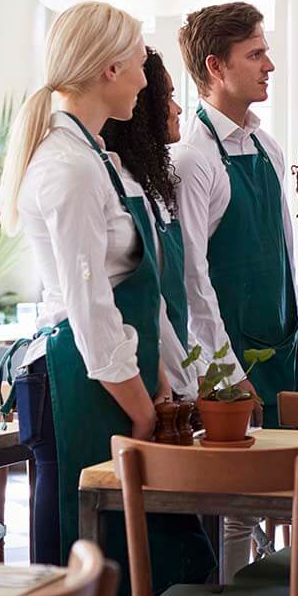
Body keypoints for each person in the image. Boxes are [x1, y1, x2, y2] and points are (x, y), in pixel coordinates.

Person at [0, 2, 214, 596]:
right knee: (89, 569)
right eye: (141, 62)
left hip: (122, 385)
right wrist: (144, 411)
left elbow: (144, 299)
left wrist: (168, 385)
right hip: (82, 386)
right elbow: (92, 313)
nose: (147, 80)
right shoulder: (67, 168)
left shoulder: (102, 160)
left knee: (160, 560)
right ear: (109, 69)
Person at [173, 1, 298, 579]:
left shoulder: (267, 147)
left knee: (279, 497)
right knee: (233, 507)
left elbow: (282, 256)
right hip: (231, 360)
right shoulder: (192, 157)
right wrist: (227, 372)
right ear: (216, 66)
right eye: (255, 53)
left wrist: (295, 335)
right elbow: (192, 278)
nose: (269, 64)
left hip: (280, 345)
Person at [101, 46, 196, 401]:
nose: (178, 108)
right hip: (147, 380)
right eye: (168, 97)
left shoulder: (151, 187)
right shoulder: (122, 186)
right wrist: (178, 381)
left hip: (173, 376)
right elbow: (149, 303)